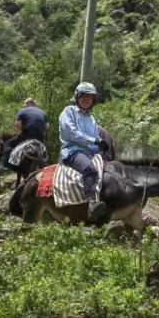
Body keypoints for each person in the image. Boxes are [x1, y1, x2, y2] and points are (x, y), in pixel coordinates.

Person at [59, 82, 108, 222]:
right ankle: (92, 204)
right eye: (84, 96)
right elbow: (71, 133)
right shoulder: (68, 111)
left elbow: (95, 140)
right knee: (90, 170)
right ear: (77, 97)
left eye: (90, 97)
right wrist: (95, 141)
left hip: (89, 153)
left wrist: (101, 148)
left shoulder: (91, 119)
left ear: (93, 100)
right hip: (73, 151)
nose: (87, 99)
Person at [1, 97, 49, 169]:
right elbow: (47, 127)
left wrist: (21, 131)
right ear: (34, 104)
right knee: (44, 148)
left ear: (26, 104)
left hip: (27, 135)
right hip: (40, 137)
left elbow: (18, 124)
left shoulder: (22, 110)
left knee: (7, 144)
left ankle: (6, 165)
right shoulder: (43, 112)